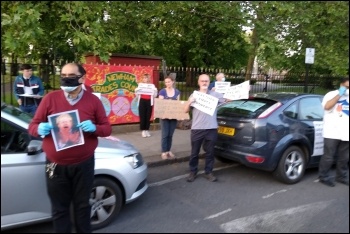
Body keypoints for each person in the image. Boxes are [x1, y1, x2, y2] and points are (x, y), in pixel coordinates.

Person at [28, 63, 112, 233]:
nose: (66, 78)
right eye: (63, 74)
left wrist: (95, 127)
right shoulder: (50, 99)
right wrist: (39, 129)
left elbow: (107, 128)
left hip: (84, 164)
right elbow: (33, 126)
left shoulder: (93, 101)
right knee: (60, 209)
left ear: (82, 78)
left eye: (71, 75)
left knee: (82, 207)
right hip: (56, 166)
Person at [184, 74, 225, 182]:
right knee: (194, 152)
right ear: (198, 82)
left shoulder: (215, 94)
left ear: (209, 82)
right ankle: (193, 171)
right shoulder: (194, 95)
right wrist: (189, 102)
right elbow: (185, 110)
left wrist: (244, 91)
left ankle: (209, 172)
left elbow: (229, 99)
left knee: (210, 152)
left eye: (206, 81)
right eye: (202, 81)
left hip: (211, 128)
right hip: (197, 128)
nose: (204, 83)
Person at [318, 77, 349, 187]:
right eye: (347, 86)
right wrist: (340, 94)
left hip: (346, 133)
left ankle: (341, 177)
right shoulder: (331, 94)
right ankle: (323, 176)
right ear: (341, 85)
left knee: (344, 157)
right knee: (328, 156)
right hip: (332, 131)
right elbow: (327, 107)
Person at [158, 76, 181, 159]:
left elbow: (178, 104)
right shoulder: (162, 91)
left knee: (170, 134)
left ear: (173, 82)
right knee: (165, 134)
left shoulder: (177, 92)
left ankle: (168, 150)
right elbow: (160, 104)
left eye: (169, 82)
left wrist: (179, 114)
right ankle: (164, 151)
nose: (167, 83)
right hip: (164, 117)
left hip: (173, 117)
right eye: (166, 82)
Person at [135, 73, 158, 137]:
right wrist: (136, 90)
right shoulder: (140, 85)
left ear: (149, 78)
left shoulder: (152, 86)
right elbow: (137, 95)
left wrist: (155, 91)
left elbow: (155, 95)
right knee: (142, 116)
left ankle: (147, 130)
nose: (145, 79)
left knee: (148, 116)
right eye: (144, 78)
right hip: (142, 101)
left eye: (146, 77)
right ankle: (143, 130)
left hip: (149, 102)